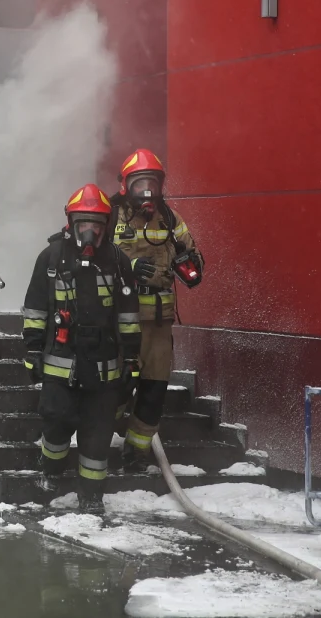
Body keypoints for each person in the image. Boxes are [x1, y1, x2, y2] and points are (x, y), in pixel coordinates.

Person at [21, 184, 141, 513]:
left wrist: (131, 361)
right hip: (61, 363)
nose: (90, 231)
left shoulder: (117, 261)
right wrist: (33, 351)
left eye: (96, 225)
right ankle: (51, 471)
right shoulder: (51, 257)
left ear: (106, 225)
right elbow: (35, 309)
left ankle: (91, 496)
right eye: (83, 224)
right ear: (71, 223)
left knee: (97, 437)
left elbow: (129, 317)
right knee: (56, 423)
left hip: (102, 369)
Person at [110, 149, 205, 473]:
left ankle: (136, 452)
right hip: (121, 321)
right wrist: (128, 266)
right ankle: (102, 435)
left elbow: (192, 254)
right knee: (118, 386)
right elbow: (93, 259)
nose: (147, 191)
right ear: (126, 186)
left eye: (152, 183)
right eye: (140, 184)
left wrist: (190, 265)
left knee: (153, 391)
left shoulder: (170, 218)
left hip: (159, 325)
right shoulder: (111, 216)